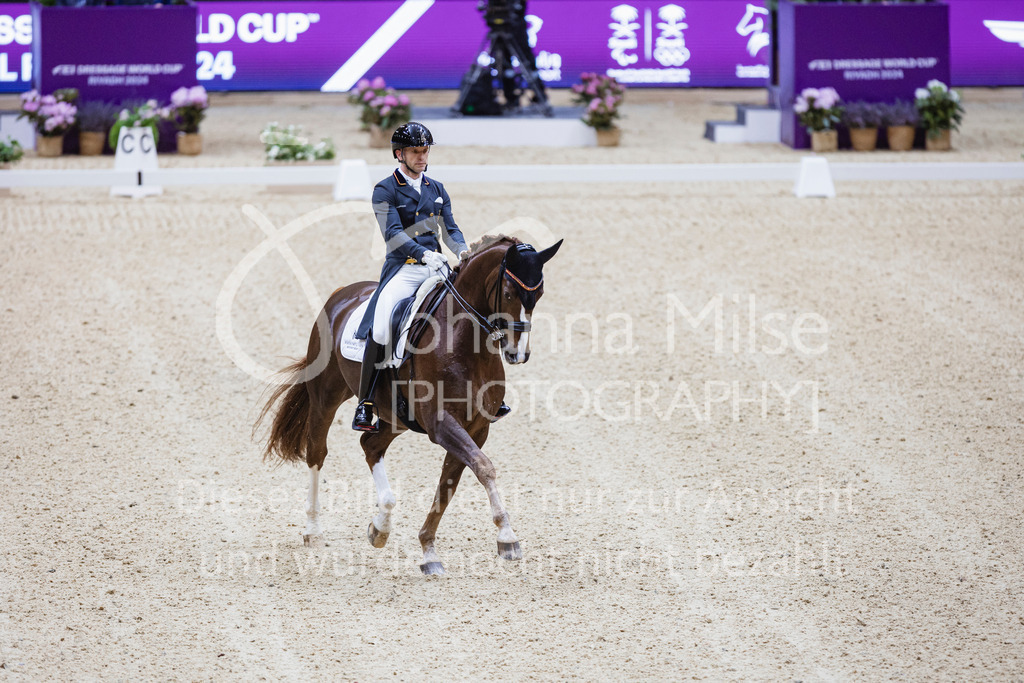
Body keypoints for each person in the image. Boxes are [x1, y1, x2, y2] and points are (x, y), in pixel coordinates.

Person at [351, 122, 469, 432]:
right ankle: (365, 403)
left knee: (470, 311)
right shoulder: (385, 189)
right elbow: (391, 234)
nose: (422, 156)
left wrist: (462, 250)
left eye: (425, 150)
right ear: (399, 154)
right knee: (381, 325)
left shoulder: (437, 189)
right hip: (404, 268)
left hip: (437, 266)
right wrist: (424, 253)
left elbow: (450, 228)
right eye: (416, 151)